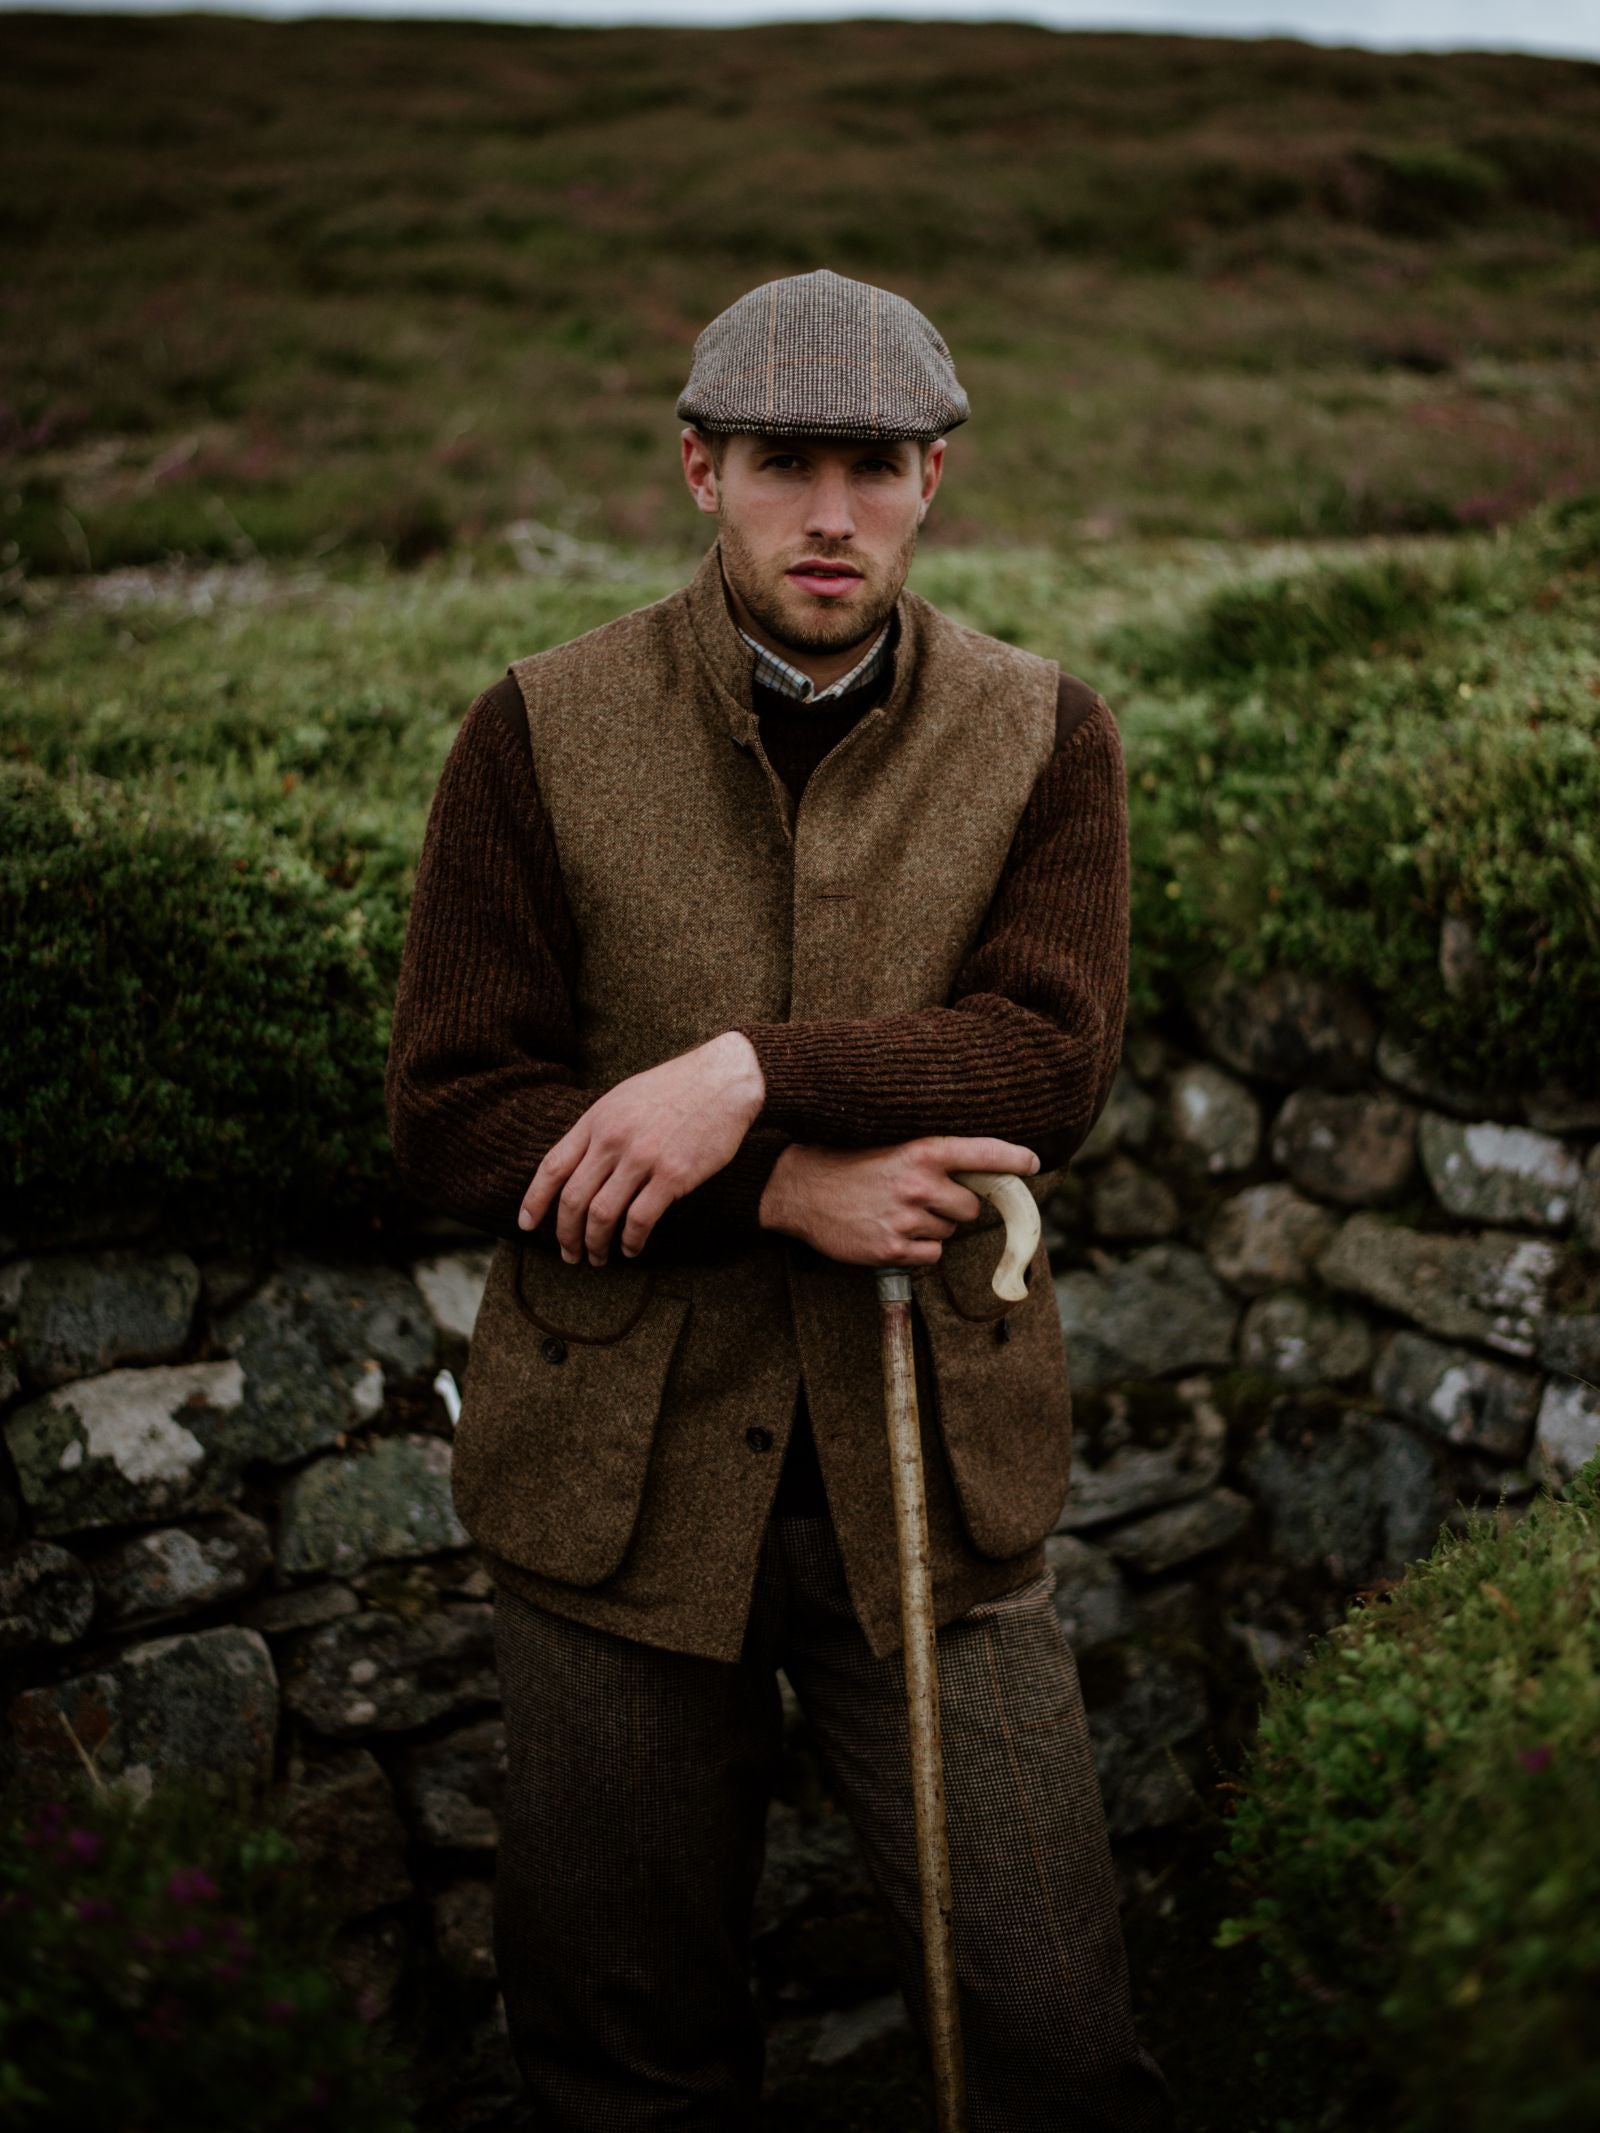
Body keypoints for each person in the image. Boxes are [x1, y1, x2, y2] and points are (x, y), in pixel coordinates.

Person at [385, 266, 1177, 2132]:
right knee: (624, 2054)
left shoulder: (1048, 732)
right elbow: (453, 1111)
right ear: (697, 468)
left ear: (934, 481)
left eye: (878, 464)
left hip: (938, 1480)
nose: (833, 512)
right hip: (611, 1497)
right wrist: (782, 1188)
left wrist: (752, 1071)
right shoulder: (536, 728)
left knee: (1055, 2037)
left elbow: (1048, 1059)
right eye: (784, 461)